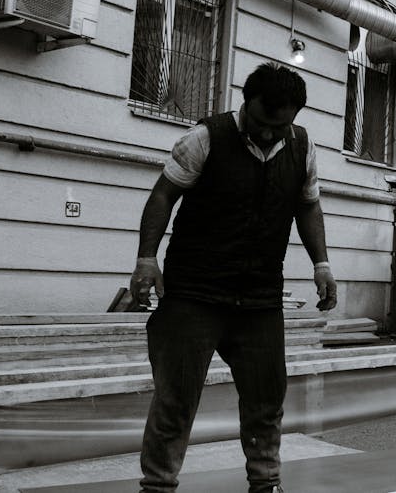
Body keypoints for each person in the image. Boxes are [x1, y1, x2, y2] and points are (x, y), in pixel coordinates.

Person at [129, 62, 337, 493]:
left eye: (277, 127)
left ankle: (265, 483)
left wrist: (322, 266)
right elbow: (163, 194)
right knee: (176, 400)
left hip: (259, 297)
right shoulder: (205, 138)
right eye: (259, 122)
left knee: (265, 401)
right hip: (193, 293)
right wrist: (146, 258)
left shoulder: (303, 148)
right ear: (246, 102)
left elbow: (308, 206)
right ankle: (158, 486)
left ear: (295, 116)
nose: (265, 133)